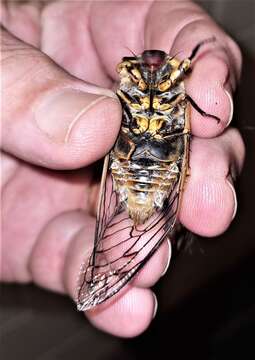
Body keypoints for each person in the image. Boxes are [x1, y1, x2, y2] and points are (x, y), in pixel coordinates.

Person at [1, 0, 245, 337]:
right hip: (135, 166)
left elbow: (190, 101)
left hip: (155, 168)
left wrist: (200, 72)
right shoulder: (129, 85)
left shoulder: (177, 89)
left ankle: (138, 228)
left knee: (196, 173)